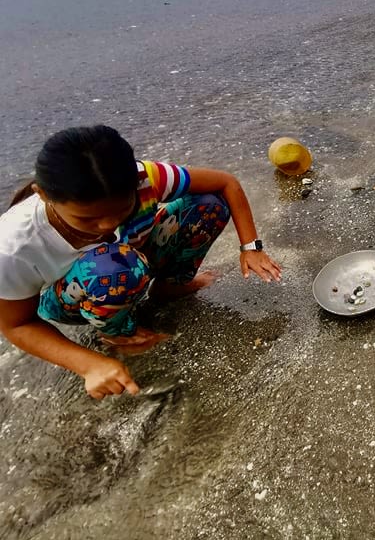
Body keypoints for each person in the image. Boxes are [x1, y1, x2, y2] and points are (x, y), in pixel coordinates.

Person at [0, 126, 282, 400]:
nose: (108, 225)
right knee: (114, 264)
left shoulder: (146, 177)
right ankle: (117, 334)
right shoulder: (12, 246)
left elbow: (225, 183)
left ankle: (169, 287)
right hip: (71, 297)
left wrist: (250, 247)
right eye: (87, 219)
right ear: (43, 195)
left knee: (209, 204)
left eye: (122, 209)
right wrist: (87, 363)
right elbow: (17, 325)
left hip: (132, 260)